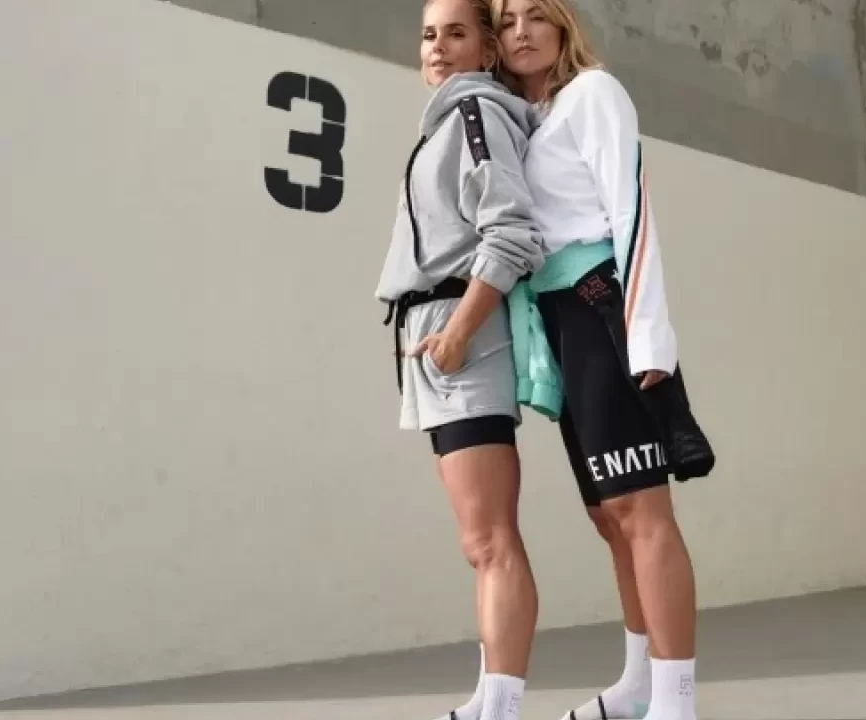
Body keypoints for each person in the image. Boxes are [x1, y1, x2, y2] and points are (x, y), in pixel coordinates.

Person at [493, 1, 715, 719]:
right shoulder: (529, 122)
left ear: (562, 25)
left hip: (603, 312)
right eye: (505, 19)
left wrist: (648, 339)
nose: (520, 30)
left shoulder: (594, 93)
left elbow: (632, 212)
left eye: (535, 14)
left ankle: (676, 702)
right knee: (607, 517)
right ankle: (639, 683)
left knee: (640, 510)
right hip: (560, 325)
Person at [375, 1, 548, 719]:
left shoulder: (476, 115)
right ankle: (489, 699)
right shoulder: (448, 122)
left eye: (456, 33)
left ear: (486, 49)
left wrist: (456, 334)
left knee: (491, 538)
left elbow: (513, 233)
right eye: (428, 35)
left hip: (463, 343)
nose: (438, 47)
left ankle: (502, 707)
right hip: (437, 340)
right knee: (479, 543)